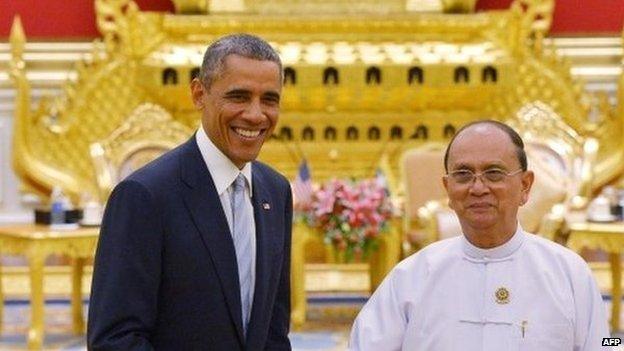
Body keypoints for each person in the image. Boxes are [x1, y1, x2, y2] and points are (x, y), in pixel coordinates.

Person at [87, 34, 292, 350]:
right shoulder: (144, 196)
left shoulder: (276, 193)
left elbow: (273, 334)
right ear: (199, 94)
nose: (256, 114)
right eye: (239, 96)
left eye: (269, 99)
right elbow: (115, 340)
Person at [349, 120, 611, 351]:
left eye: (493, 173)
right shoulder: (411, 277)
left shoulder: (568, 273)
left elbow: (604, 345)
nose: (478, 187)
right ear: (448, 188)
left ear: (525, 186)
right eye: (463, 175)